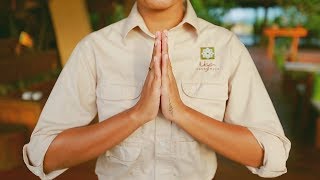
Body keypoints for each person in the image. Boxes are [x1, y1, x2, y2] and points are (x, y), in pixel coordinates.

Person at [23, 0, 291, 179]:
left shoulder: (225, 47)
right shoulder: (95, 49)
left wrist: (182, 113)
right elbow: (44, 155)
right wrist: (136, 115)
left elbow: (272, 155)